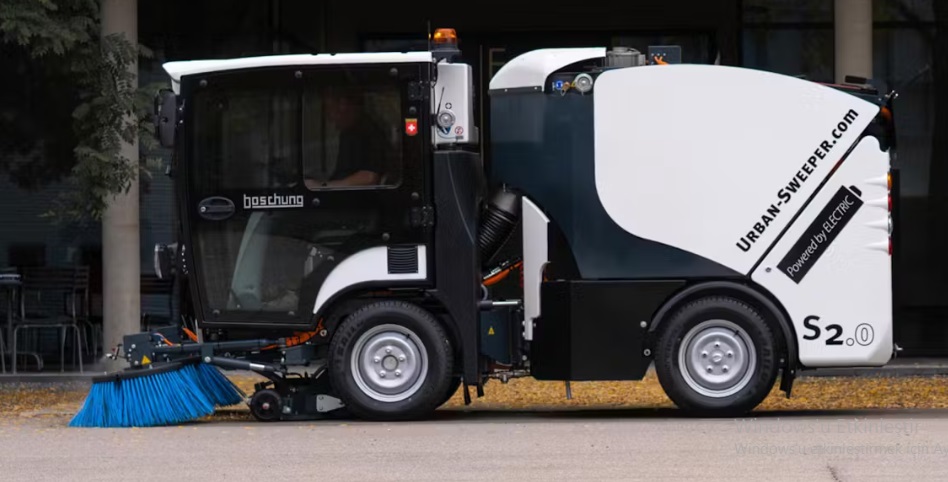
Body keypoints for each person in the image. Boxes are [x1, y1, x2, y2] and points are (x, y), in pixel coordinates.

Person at [304, 87, 388, 189]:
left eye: (328, 109)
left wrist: (323, 186)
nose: (329, 118)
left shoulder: (369, 132)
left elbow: (369, 177)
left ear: (342, 105)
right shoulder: (348, 132)